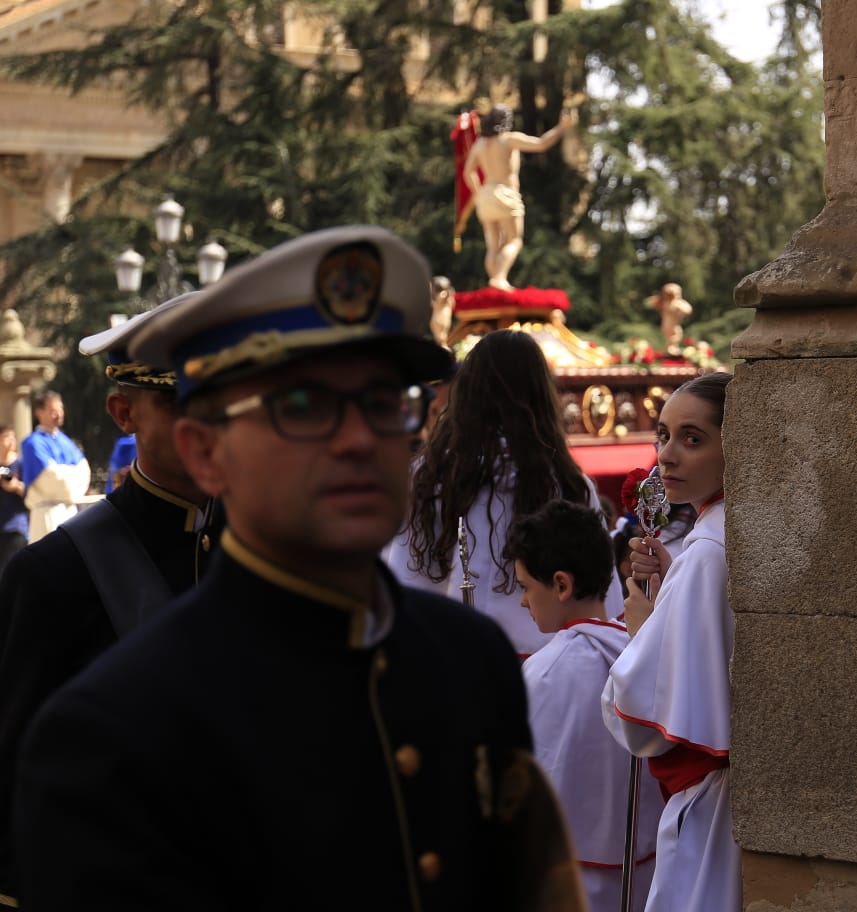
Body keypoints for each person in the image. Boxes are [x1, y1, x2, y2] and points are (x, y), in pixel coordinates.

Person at [13, 226, 580, 910]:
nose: (359, 439)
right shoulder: (107, 731)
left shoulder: (470, 658)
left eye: (383, 402)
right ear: (206, 451)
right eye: (304, 407)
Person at [0, 291, 226, 904]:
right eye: (179, 402)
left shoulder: (272, 550)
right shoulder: (52, 576)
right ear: (124, 413)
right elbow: (18, 779)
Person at [391, 328, 623, 658]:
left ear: (466, 393)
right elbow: (600, 600)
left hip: (452, 657)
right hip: (550, 665)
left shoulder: (429, 476)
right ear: (541, 395)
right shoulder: (567, 482)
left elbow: (405, 579)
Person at [602, 371, 740, 912]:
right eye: (663, 435)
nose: (667, 455)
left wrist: (642, 628)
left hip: (711, 804)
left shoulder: (706, 551)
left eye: (692, 438)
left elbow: (640, 711)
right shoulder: (724, 531)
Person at [505, 500, 665, 912]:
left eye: (525, 587)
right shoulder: (638, 645)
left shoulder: (543, 672)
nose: (523, 602)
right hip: (645, 867)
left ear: (561, 585)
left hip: (568, 878)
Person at [458, 104, 577, 290]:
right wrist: (561, 127)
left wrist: (479, 192)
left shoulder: (479, 144)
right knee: (514, 240)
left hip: (486, 194)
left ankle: (494, 283)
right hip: (505, 193)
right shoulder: (509, 139)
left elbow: (468, 173)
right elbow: (541, 144)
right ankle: (499, 278)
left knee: (493, 246)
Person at [20, 390, 89, 541]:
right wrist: (72, 473)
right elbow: (51, 478)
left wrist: (64, 473)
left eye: (60, 409)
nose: (58, 414)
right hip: (46, 514)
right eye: (53, 410)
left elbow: (84, 472)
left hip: (71, 511)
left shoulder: (66, 442)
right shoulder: (33, 443)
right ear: (39, 413)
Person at [0, 427, 25, 570]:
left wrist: (15, 486)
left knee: (12, 571)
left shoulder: (21, 463)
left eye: (13, 437)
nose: (11, 441)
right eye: (6, 437)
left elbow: (32, 492)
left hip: (16, 527)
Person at [645, 283, 693, 354]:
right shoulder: (668, 303)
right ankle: (671, 350)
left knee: (675, 337)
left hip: (671, 324)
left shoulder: (674, 303)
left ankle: (671, 350)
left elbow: (688, 310)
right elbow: (649, 302)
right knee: (674, 337)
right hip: (669, 325)